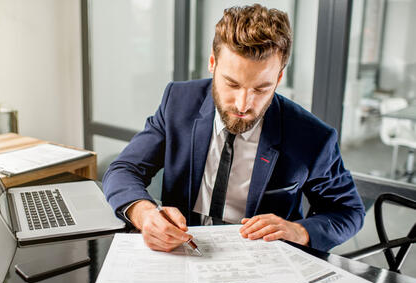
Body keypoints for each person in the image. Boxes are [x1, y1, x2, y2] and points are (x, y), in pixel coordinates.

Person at [102, 4, 365, 253]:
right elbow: (124, 169)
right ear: (213, 64)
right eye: (232, 84)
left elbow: (349, 212)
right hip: (180, 252)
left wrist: (298, 231)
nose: (243, 104)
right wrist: (145, 213)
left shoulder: (312, 136)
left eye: (261, 89)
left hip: (262, 263)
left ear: (279, 78)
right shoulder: (178, 102)